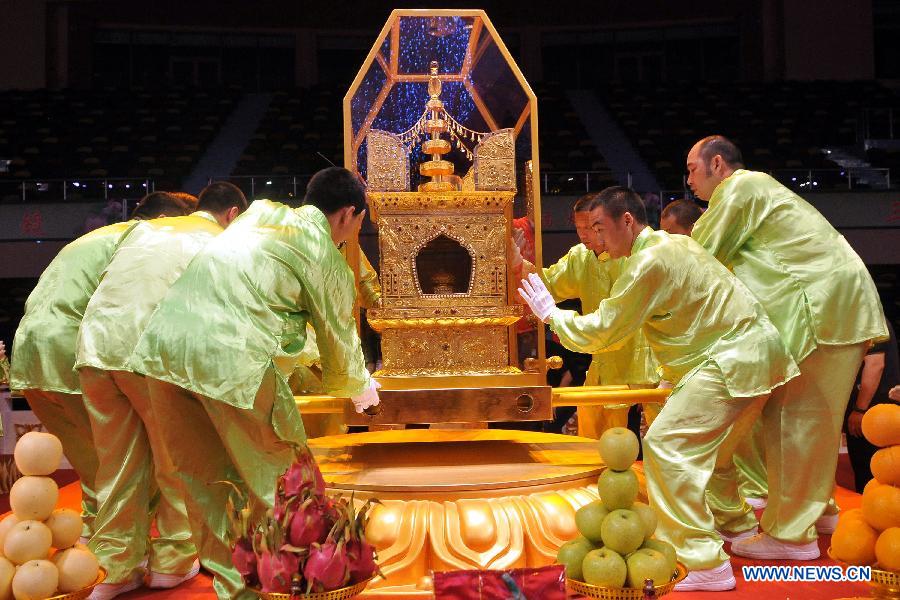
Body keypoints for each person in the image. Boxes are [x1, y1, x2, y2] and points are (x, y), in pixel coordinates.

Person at [518, 186, 798, 591]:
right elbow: (695, 319)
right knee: (713, 454)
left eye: (601, 227)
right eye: (590, 229)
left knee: (667, 445)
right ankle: (734, 527)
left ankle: (702, 561)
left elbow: (607, 329)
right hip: (750, 354)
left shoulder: (648, 260)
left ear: (627, 221)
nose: (597, 238)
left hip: (730, 358)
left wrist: (552, 316)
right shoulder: (673, 246)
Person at [127, 167, 378, 600]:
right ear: (348, 215)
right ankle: (299, 587)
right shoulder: (322, 250)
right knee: (286, 482)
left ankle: (236, 590)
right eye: (358, 225)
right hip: (232, 356)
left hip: (164, 349)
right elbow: (338, 334)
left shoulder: (259, 213)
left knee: (205, 483)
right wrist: (361, 387)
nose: (353, 234)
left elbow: (256, 298)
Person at [688, 135, 888, 560]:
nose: (688, 180)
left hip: (820, 308)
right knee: (807, 418)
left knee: (795, 418)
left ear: (718, 164)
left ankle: (791, 536)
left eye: (691, 169)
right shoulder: (761, 190)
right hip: (830, 305)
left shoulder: (740, 188)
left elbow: (697, 257)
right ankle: (818, 513)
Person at [74, 183, 247, 599]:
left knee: (116, 465)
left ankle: (114, 569)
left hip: (94, 350)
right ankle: (171, 562)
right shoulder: (222, 241)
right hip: (148, 352)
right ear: (233, 215)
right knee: (176, 459)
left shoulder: (145, 231)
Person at [8, 192, 195, 541]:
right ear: (165, 222)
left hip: (29, 353)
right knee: (130, 460)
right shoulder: (145, 242)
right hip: (75, 350)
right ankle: (132, 550)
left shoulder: (93, 238)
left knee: (95, 465)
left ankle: (98, 542)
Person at [513, 194, 660, 438]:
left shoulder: (639, 254)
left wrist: (554, 316)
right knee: (596, 440)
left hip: (644, 358)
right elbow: (545, 285)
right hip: (601, 358)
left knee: (653, 438)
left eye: (591, 228)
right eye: (579, 228)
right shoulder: (580, 257)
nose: (584, 235)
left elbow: (612, 322)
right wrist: (518, 262)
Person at [845, 321, 898, 492]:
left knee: (874, 473)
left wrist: (860, 410)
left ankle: (875, 511)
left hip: (874, 412)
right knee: (866, 470)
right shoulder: (863, 319)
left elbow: (875, 365)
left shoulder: (871, 320)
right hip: (870, 410)